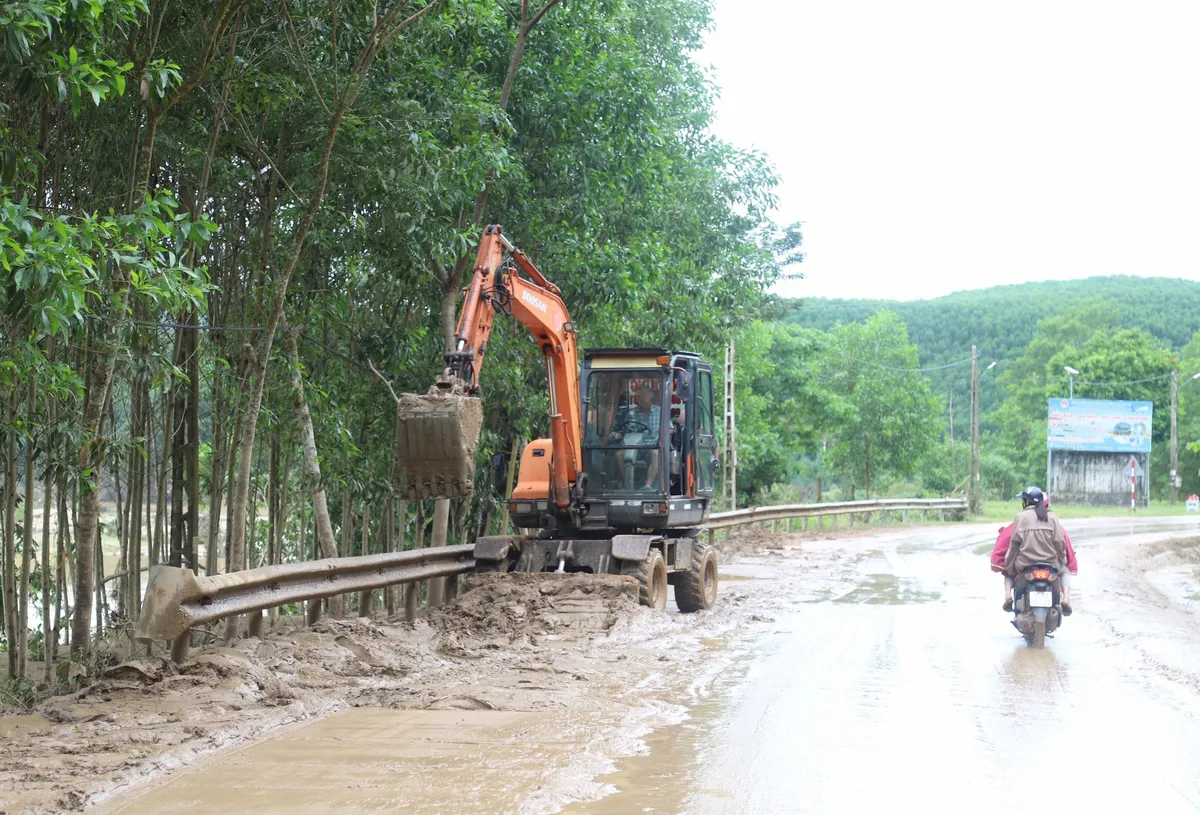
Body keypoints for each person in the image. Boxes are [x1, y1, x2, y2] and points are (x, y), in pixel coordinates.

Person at [991, 494, 1076, 614]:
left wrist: (1008, 564)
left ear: (1025, 502)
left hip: (1025, 564)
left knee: (1008, 572)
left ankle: (1007, 596)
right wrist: (1063, 560)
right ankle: (1066, 599)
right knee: (1065, 571)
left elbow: (1012, 543)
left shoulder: (1021, 518)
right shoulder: (1052, 518)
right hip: (1050, 563)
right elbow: (1060, 542)